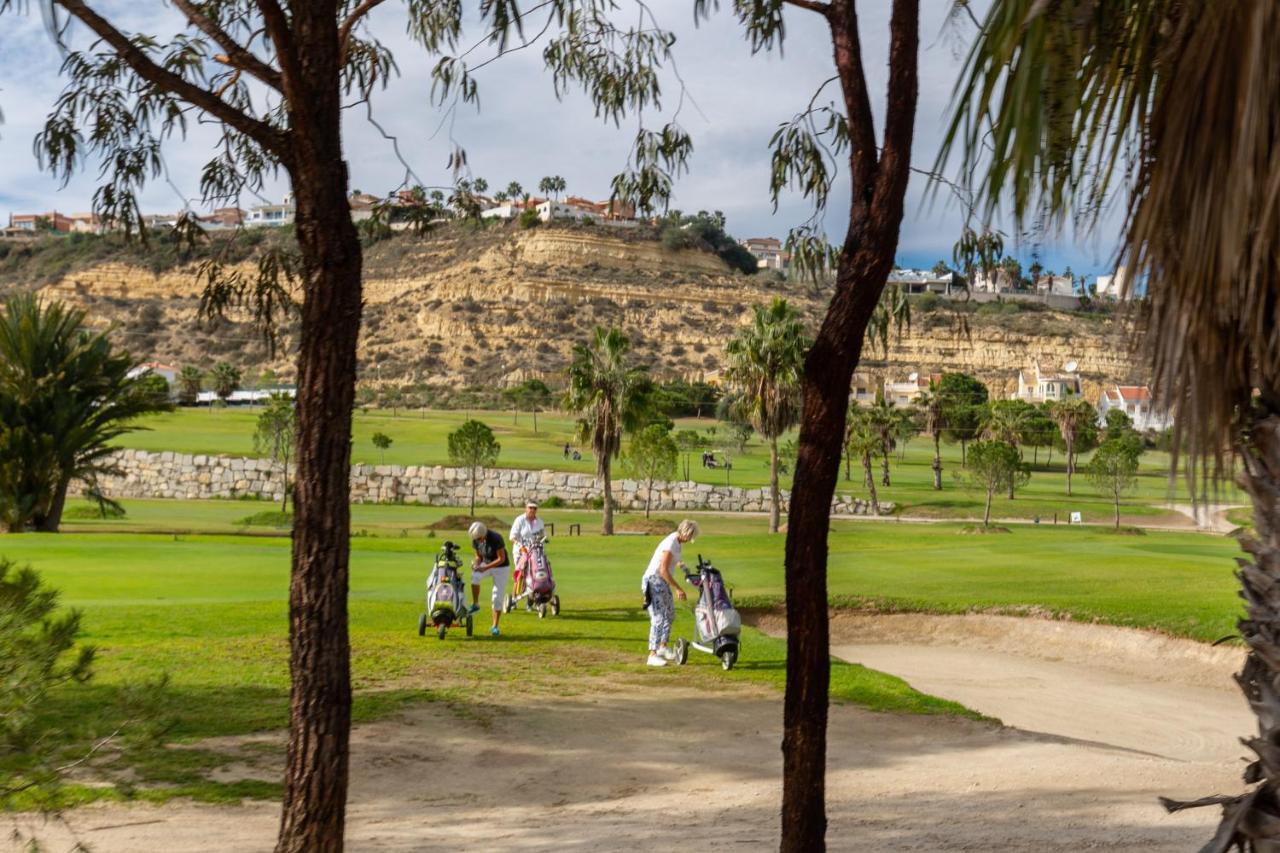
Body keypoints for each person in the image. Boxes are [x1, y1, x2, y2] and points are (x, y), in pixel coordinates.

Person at [640, 519, 699, 667]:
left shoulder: (678, 542)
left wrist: (682, 567)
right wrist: (678, 588)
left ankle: (663, 647)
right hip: (653, 580)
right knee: (659, 617)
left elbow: (674, 560)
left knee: (670, 614)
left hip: (662, 582)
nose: (691, 539)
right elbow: (663, 570)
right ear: (686, 533)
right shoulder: (671, 542)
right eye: (691, 536)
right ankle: (652, 655)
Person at [467, 521, 509, 637]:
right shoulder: (476, 539)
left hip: (501, 567)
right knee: (475, 577)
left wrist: (485, 568)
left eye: (479, 539)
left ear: (484, 534)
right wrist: (476, 564)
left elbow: (501, 558)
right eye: (476, 539)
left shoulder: (496, 538)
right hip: (486, 563)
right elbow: (478, 556)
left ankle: (495, 626)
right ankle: (476, 604)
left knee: (497, 597)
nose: (478, 541)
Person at [509, 501, 546, 592]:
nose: (532, 510)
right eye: (530, 507)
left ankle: (531, 599)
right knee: (521, 572)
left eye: (535, 508)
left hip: (535, 552)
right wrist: (521, 547)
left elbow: (542, 536)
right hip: (520, 551)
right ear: (526, 508)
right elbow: (512, 537)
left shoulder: (540, 522)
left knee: (535, 573)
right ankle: (514, 597)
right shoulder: (519, 520)